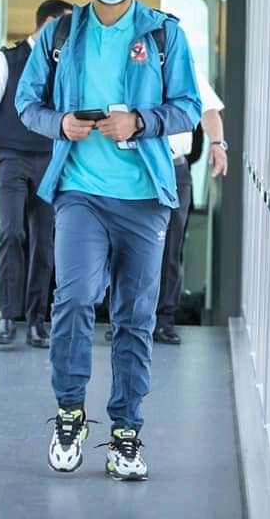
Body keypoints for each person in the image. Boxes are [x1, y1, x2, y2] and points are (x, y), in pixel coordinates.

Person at [16, 0, 202, 481]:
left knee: (134, 318)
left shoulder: (164, 34)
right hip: (79, 192)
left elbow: (189, 106)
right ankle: (70, 413)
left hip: (145, 198)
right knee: (73, 300)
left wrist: (140, 121)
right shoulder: (62, 34)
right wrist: (60, 123)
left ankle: (126, 432)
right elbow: (27, 102)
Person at [0, 0, 73, 348]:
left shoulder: (67, 63)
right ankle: (8, 316)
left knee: (45, 241)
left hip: (51, 159)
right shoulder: (6, 59)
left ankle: (37, 320)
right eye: (66, 26)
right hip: (11, 157)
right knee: (11, 231)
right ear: (49, 23)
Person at [106, 69, 227, 345]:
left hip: (174, 169)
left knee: (171, 247)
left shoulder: (184, 68)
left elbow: (208, 110)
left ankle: (163, 320)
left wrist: (217, 143)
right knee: (127, 247)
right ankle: (124, 319)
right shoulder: (123, 66)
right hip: (133, 167)